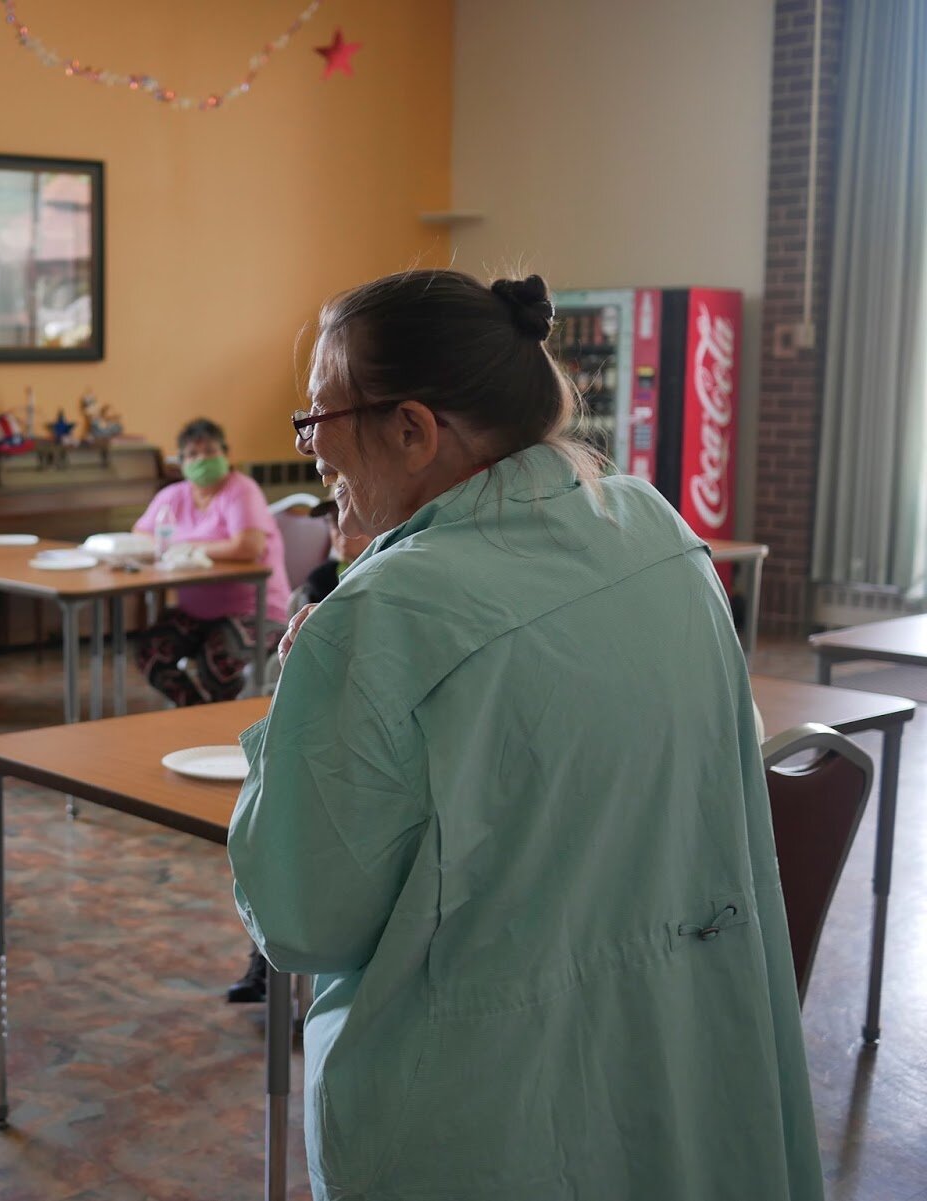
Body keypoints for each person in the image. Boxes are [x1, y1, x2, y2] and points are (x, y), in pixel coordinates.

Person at [228, 270, 820, 1200]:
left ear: (415, 429)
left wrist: (294, 698)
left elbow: (302, 916)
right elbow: (722, 747)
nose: (310, 452)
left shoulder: (377, 618)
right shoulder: (660, 532)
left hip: (481, 1112)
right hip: (677, 1059)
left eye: (318, 421)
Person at [131, 418, 289, 706]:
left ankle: (223, 725)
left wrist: (185, 548)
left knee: (216, 660)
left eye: (211, 451)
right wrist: (184, 549)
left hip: (254, 611)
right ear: (180, 462)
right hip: (195, 613)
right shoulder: (172, 496)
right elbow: (140, 535)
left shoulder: (241, 490)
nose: (202, 459)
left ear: (226, 455)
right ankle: (195, 712)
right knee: (151, 651)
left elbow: (247, 547)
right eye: (193, 454)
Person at [300, 498, 373, 606]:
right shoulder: (320, 580)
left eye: (354, 517)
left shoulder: (391, 572)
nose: (342, 528)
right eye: (334, 520)